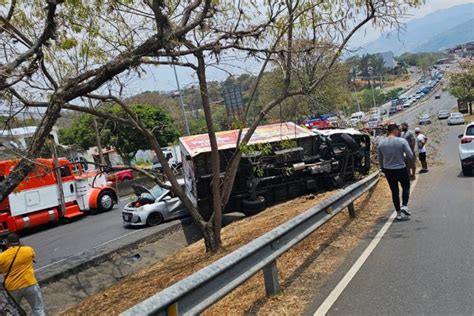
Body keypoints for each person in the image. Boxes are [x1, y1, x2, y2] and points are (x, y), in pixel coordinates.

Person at [0, 233, 45, 316]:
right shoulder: (28, 250)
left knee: (14, 311)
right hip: (30, 283)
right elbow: (32, 257)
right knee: (38, 308)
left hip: (13, 288)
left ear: (7, 243)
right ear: (19, 241)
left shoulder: (1, 257)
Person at [378, 124, 413, 220]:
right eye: (398, 131)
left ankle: (398, 213)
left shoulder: (381, 143)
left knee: (394, 191)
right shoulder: (401, 141)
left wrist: (383, 168)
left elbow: (380, 159)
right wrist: (403, 156)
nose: (399, 133)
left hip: (388, 170)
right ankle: (404, 205)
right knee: (406, 186)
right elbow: (410, 155)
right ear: (395, 130)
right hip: (400, 168)